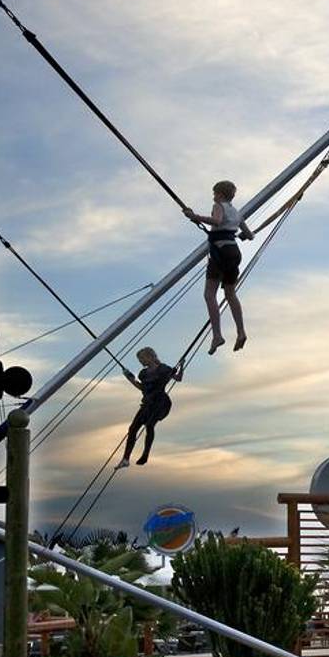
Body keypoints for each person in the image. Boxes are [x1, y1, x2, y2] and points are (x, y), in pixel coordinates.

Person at [183, 180, 253, 355]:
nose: (213, 196)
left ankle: (217, 335)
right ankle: (241, 331)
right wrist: (243, 234)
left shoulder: (218, 205)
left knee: (209, 295)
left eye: (214, 193)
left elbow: (216, 220)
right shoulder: (237, 213)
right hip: (234, 253)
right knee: (230, 294)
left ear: (220, 194)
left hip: (220, 253)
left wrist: (195, 216)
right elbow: (250, 235)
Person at [116, 347, 183, 469]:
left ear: (150, 356)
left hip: (160, 402)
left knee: (150, 425)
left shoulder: (163, 369)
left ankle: (145, 454)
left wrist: (181, 366)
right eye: (139, 359)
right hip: (147, 403)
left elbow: (178, 378)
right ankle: (125, 459)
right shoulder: (143, 374)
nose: (140, 362)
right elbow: (143, 388)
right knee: (132, 429)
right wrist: (130, 379)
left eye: (141, 358)